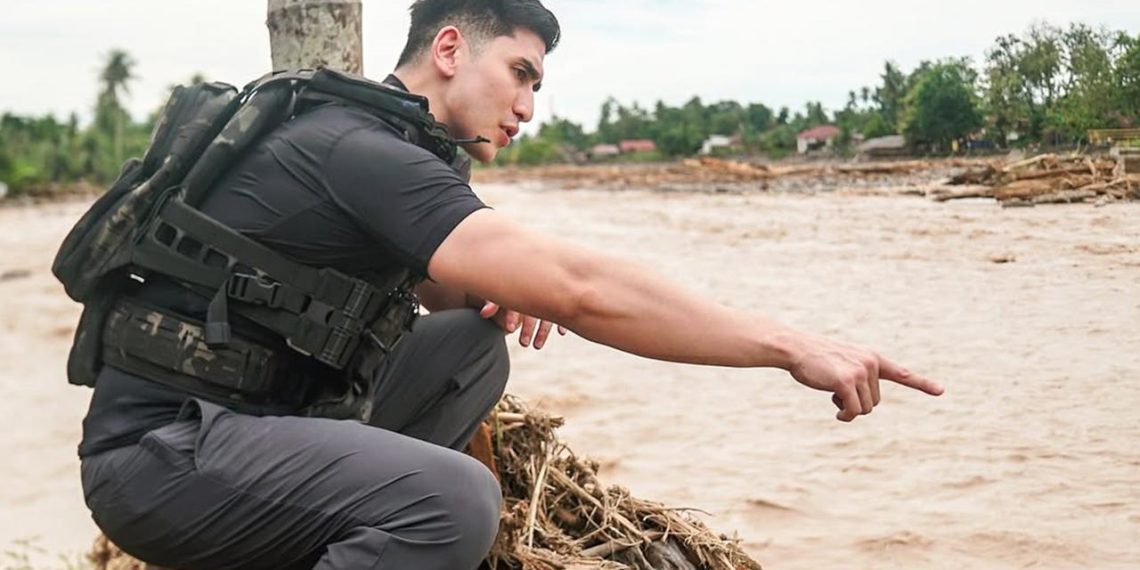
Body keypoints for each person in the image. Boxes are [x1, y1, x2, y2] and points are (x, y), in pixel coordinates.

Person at [76, 1, 943, 569]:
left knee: (467, 348)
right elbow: (582, 288)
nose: (528, 106)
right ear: (450, 48)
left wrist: (484, 284)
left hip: (256, 426)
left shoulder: (383, 142)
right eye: (521, 74)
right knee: (454, 503)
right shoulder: (360, 151)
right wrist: (790, 345)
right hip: (162, 458)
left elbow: (400, 297)